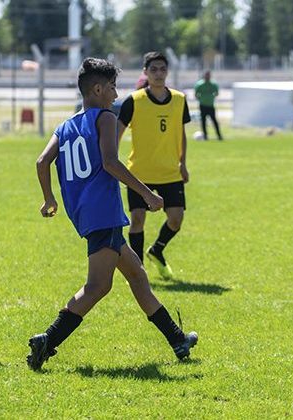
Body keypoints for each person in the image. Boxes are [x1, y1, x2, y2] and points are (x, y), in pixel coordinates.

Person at [27, 58, 198, 371]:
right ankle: (47, 341)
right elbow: (110, 162)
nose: (116, 94)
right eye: (112, 87)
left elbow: (41, 161)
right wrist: (147, 193)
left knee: (137, 275)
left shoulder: (65, 126)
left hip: (85, 213)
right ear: (97, 89)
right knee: (97, 287)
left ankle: (177, 340)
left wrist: (49, 198)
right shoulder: (104, 118)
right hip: (103, 212)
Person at [117, 51, 191, 280]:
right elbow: (116, 134)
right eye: (154, 69)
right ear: (145, 72)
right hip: (140, 172)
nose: (159, 74)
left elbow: (182, 133)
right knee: (138, 219)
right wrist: (111, 160)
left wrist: (183, 163)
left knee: (176, 220)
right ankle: (138, 271)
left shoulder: (179, 99)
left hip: (170, 171)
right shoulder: (134, 101)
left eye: (162, 69)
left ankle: (157, 250)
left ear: (167, 71)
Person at [194, 70, 223, 140]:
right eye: (206, 75)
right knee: (203, 121)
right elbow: (196, 94)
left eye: (209, 75)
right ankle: (205, 136)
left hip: (210, 105)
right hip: (203, 105)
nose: (207, 76)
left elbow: (217, 93)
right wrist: (202, 99)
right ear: (204, 75)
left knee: (214, 120)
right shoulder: (200, 84)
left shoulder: (213, 84)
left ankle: (219, 136)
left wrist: (210, 97)